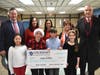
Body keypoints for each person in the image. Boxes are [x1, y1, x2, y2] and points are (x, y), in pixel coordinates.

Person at [0, 7, 25, 75]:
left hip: (20, 49)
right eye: (12, 14)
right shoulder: (4, 24)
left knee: (20, 65)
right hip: (9, 49)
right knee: (10, 67)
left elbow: (23, 36)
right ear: (9, 15)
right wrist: (1, 49)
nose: (13, 15)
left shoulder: (21, 24)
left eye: (15, 14)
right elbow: (1, 37)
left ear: (17, 14)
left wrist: (25, 47)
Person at [77, 5, 100, 75]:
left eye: (90, 10)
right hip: (82, 48)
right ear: (84, 11)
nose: (88, 12)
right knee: (82, 68)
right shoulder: (79, 21)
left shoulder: (98, 21)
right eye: (86, 10)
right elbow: (77, 33)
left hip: (93, 48)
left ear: (92, 11)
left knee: (91, 68)